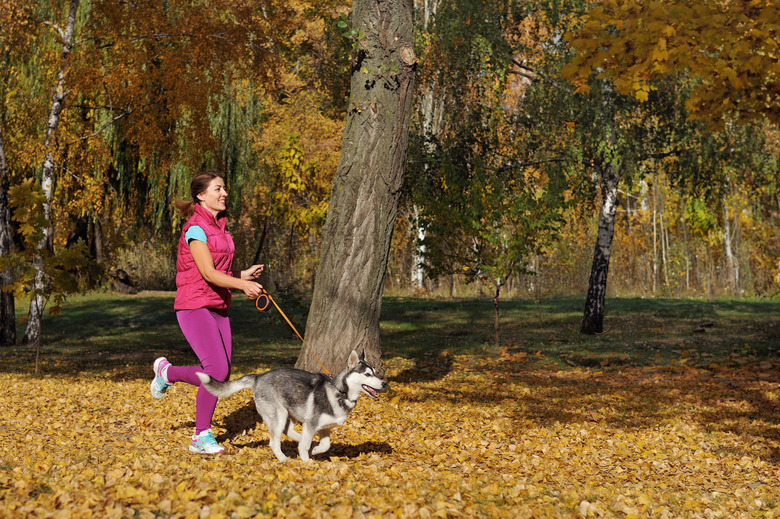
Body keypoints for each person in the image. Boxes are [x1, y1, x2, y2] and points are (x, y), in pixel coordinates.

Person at [150, 171, 264, 454]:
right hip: (194, 305)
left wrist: (241, 274)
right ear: (201, 195)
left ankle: (167, 372)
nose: (224, 193)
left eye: (224, 188)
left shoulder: (221, 227)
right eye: (217, 189)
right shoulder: (196, 228)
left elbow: (218, 271)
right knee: (216, 369)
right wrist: (242, 284)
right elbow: (207, 273)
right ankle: (201, 436)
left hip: (217, 305)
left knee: (221, 375)